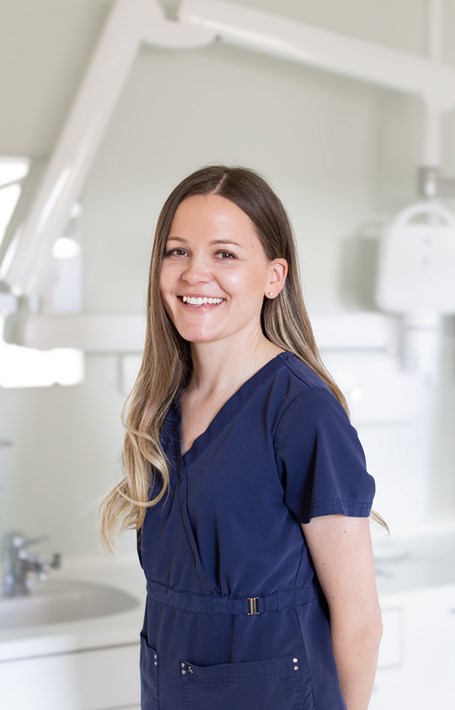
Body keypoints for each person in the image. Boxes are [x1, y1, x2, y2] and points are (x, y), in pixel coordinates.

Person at [99, 165, 384, 710]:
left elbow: (361, 622)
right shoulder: (161, 406)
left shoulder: (303, 412)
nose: (194, 274)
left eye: (224, 254)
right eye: (178, 252)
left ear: (274, 277)